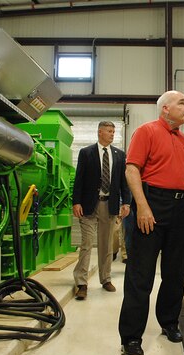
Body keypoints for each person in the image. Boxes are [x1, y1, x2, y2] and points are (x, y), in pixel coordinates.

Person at [118, 91, 184, 355]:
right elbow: (132, 170)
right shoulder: (146, 131)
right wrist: (142, 205)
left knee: (176, 272)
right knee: (141, 275)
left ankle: (169, 322)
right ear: (165, 109)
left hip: (179, 209)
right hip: (152, 202)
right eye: (182, 103)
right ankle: (130, 338)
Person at [72, 121, 131, 299]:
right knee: (87, 243)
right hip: (89, 204)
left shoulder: (119, 155)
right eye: (109, 131)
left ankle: (105, 279)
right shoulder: (86, 153)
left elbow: (123, 182)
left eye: (114, 131)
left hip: (109, 204)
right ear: (100, 132)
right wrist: (76, 202)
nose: (112, 134)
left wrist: (126, 203)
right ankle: (81, 283)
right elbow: (79, 179)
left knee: (106, 245)